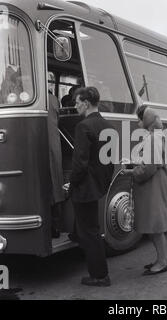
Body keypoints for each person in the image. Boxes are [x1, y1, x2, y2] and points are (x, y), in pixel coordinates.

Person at [63, 86, 114, 287]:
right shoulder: (107, 125)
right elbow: (109, 162)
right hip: (97, 186)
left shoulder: (83, 126)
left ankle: (99, 275)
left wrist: (71, 184)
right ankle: (98, 271)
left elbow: (79, 164)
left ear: (85, 102)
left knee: (90, 233)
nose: (74, 106)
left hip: (84, 187)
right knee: (88, 229)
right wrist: (103, 183)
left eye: (76, 102)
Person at [122, 106, 167, 275]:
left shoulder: (153, 138)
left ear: (148, 120)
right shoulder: (154, 136)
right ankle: (160, 259)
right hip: (154, 185)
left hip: (153, 186)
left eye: (140, 119)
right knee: (153, 225)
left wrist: (131, 171)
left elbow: (149, 167)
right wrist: (135, 162)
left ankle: (163, 261)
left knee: (155, 226)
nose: (138, 122)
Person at [48, 92, 65, 238]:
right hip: (53, 145)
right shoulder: (53, 99)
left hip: (48, 144)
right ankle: (56, 226)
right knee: (55, 184)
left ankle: (54, 225)